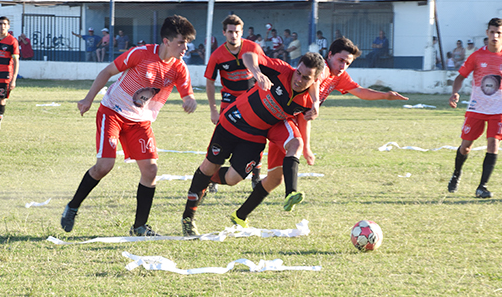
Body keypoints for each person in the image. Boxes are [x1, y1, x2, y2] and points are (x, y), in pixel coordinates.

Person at [223, 38, 408, 225]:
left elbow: (359, 91)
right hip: (283, 121)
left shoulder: (338, 77)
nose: (343, 65)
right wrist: (308, 142)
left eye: (347, 63)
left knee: (274, 179)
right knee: (295, 146)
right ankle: (291, 193)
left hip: (289, 124)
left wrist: (386, 95)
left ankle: (240, 215)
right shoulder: (321, 70)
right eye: (340, 60)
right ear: (330, 55)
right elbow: (312, 87)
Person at [60, 15, 197, 236]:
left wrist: (189, 99)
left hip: (140, 121)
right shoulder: (141, 54)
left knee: (151, 170)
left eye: (187, 43)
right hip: (112, 111)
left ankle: (140, 227)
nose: (185, 48)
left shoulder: (179, 68)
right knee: (104, 166)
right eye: (181, 42)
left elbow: (186, 90)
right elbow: (107, 72)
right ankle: (73, 206)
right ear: (166, 41)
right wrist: (88, 99)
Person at [181, 52, 323, 236]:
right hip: (233, 120)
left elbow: (312, 98)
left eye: (306, 78)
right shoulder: (281, 70)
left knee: (233, 179)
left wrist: (316, 103)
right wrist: (258, 73)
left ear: (315, 80)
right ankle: (188, 218)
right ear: (296, 68)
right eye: (298, 73)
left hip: (256, 136)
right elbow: (249, 55)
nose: (299, 80)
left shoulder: (308, 100)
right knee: (209, 166)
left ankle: (204, 181)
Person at [447, 17, 502, 199]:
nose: (495, 36)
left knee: (493, 143)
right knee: (466, 146)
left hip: (500, 109)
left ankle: (482, 187)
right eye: (492, 32)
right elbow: (460, 76)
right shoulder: (477, 56)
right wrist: (455, 92)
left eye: (499, 33)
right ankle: (456, 173)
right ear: (487, 33)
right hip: (477, 107)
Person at [204, 14, 267, 186]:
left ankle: (256, 176)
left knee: (257, 137)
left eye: (237, 31)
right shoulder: (217, 55)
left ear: (242, 32)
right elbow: (209, 81)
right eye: (230, 32)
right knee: (221, 139)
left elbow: (266, 70)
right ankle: (212, 175)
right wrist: (213, 109)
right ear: (224, 33)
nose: (234, 35)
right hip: (229, 102)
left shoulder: (253, 48)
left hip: (252, 103)